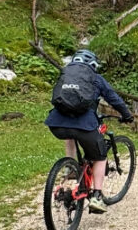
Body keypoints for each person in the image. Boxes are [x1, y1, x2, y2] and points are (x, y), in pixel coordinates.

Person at [46, 49, 133, 214]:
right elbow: (113, 98)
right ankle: (97, 197)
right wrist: (127, 115)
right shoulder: (95, 78)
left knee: (70, 135)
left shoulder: (66, 75)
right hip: (84, 124)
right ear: (93, 65)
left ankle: (69, 167)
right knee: (99, 156)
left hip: (57, 124)